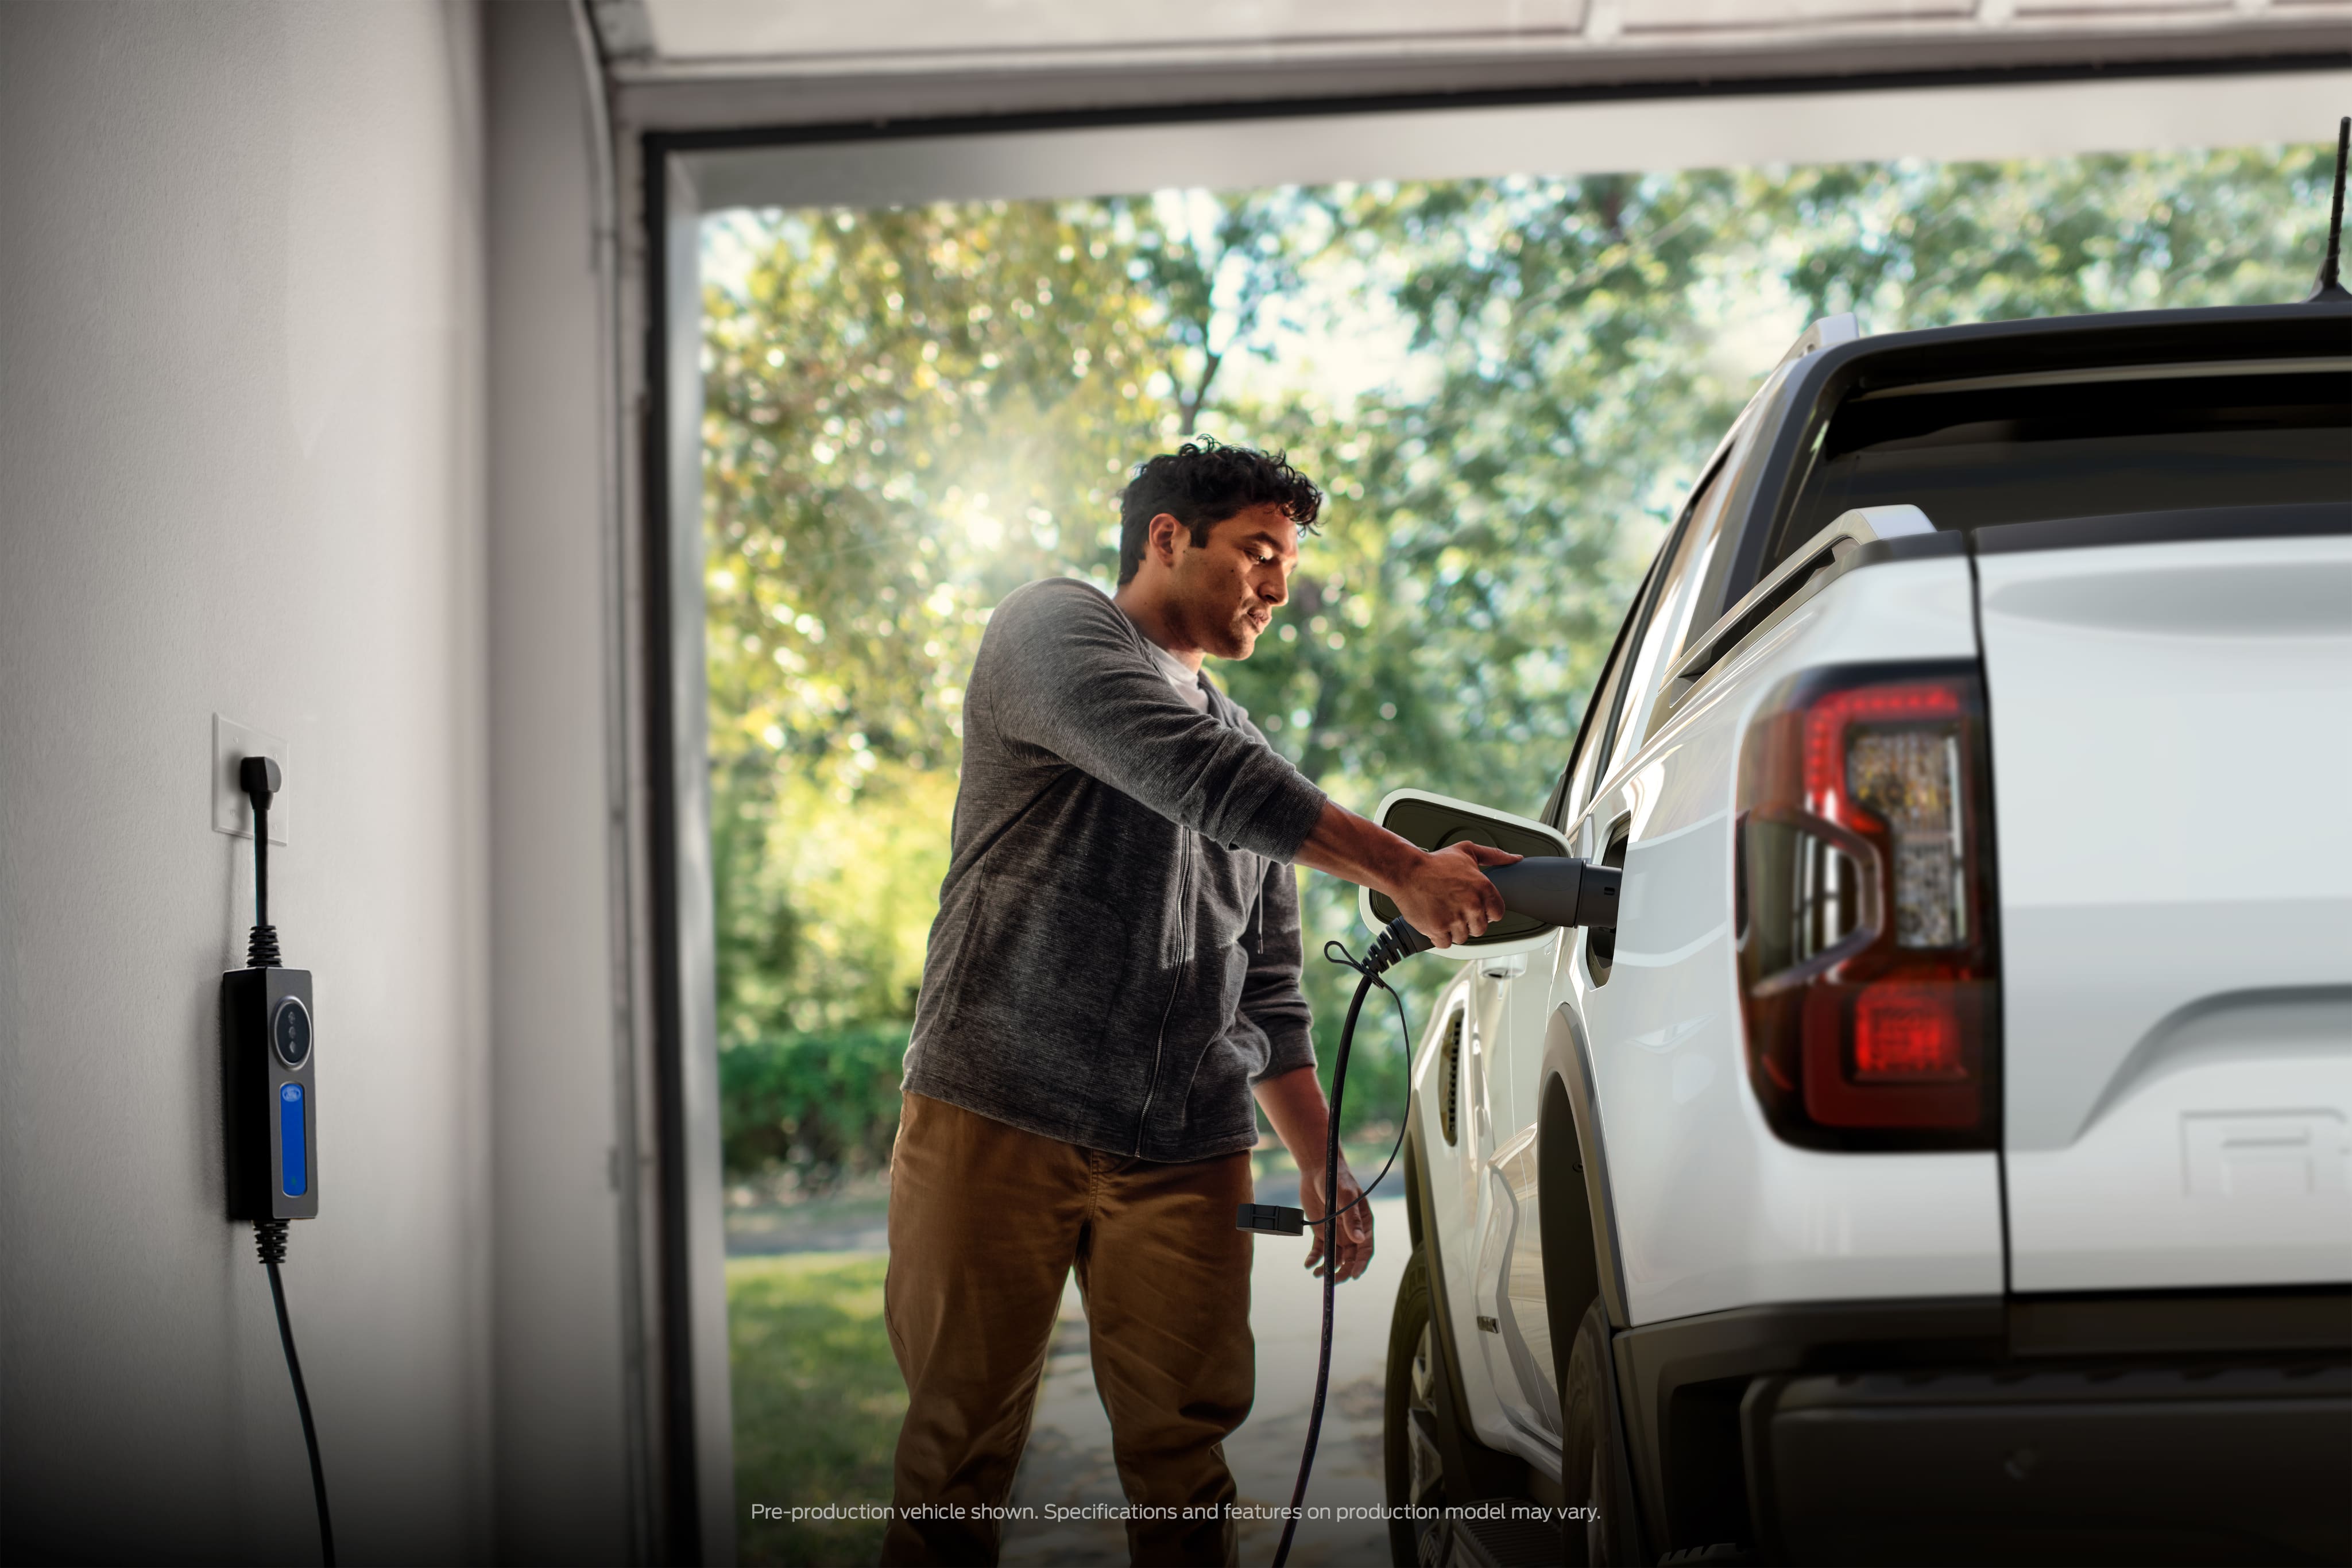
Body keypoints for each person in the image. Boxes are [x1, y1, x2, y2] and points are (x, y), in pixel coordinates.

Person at [882, 440, 1516, 1566]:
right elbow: (1194, 777)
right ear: (1166, 537)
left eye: (1284, 561)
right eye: (1257, 553)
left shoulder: (1256, 757)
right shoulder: (1049, 629)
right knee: (954, 1450)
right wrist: (1402, 868)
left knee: (1186, 1463)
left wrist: (1320, 1164)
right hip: (997, 1108)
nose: (1276, 585)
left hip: (1186, 1147)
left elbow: (1267, 988)